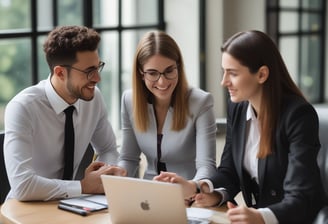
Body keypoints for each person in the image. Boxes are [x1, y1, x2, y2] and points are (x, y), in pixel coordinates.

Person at [154, 30, 323, 224]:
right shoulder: (238, 107)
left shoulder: (299, 116)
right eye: (223, 72)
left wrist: (260, 216)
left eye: (232, 73)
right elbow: (230, 171)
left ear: (261, 74)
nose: (224, 82)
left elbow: (300, 197)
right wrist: (196, 187)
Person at [4, 25, 126, 201]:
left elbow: (107, 148)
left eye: (97, 67)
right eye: (89, 72)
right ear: (60, 72)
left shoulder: (93, 99)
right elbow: (23, 186)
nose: (97, 79)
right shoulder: (22, 108)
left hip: (73, 203)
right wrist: (83, 186)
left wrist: (104, 174)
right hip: (25, 210)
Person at [117, 30, 217, 183]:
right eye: (152, 73)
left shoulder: (201, 102)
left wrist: (193, 188)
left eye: (169, 71)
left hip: (189, 192)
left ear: (178, 66)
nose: (162, 82)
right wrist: (116, 179)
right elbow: (128, 159)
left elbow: (207, 166)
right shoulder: (129, 100)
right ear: (141, 73)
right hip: (148, 195)